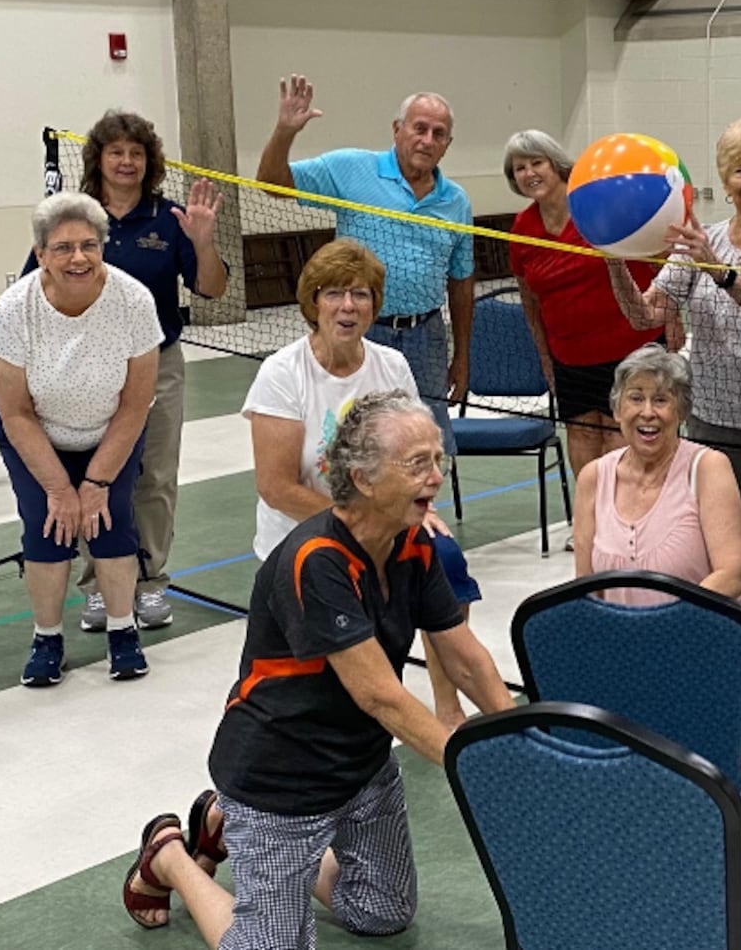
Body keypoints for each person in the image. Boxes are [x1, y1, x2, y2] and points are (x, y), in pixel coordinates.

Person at [121, 391, 515, 944]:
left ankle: (229, 830)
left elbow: (462, 654)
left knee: (382, 914)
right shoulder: (316, 561)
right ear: (365, 478)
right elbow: (378, 695)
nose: (436, 476)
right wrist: (474, 765)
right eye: (417, 463)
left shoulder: (413, 545)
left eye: (437, 460)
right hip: (278, 779)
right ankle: (171, 858)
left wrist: (521, 740)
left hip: (362, 769)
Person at [607, 118, 741, 690]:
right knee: (707, 533)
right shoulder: (705, 238)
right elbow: (645, 315)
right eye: (739, 170)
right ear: (724, 181)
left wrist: (720, 270)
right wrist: (613, 258)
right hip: (713, 415)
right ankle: (714, 626)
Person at [242, 240, 484, 730]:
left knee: (447, 560)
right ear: (314, 302)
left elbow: (416, 454)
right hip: (307, 536)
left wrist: (420, 506)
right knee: (337, 690)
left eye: (360, 295)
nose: (347, 306)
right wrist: (357, 524)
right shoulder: (282, 374)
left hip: (382, 528)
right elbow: (277, 487)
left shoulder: (389, 367)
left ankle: (449, 706)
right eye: (334, 293)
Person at [21, 111, 228, 632]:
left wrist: (202, 240)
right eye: (116, 152)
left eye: (136, 153)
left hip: (157, 366)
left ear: (149, 161)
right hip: (84, 373)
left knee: (154, 476)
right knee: (97, 477)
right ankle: (100, 586)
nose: (127, 161)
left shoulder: (169, 217)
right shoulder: (76, 219)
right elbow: (31, 286)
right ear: (99, 160)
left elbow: (212, 289)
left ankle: (150, 580)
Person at [0, 192, 164, 684]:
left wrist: (97, 482)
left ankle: (122, 631)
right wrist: (61, 490)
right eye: (63, 247)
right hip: (32, 433)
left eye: (89, 244)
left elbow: (135, 404)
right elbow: (17, 412)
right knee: (47, 526)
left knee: (111, 524)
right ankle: (47, 638)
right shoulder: (14, 309)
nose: (78, 258)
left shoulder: (133, 301)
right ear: (41, 254)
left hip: (110, 430)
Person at [257, 74, 474, 455]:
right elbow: (271, 183)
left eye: (438, 134)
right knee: (355, 440)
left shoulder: (456, 202)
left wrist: (462, 357)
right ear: (397, 129)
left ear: (447, 145)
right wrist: (285, 131)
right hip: (357, 331)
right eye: (419, 128)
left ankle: (418, 514)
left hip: (426, 337)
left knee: (424, 442)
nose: (427, 140)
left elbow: (461, 282)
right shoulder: (351, 169)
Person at [573, 344, 741, 674]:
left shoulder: (709, 467)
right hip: (632, 639)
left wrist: (660, 630)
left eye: (661, 400)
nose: (647, 412)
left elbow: (735, 573)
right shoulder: (593, 477)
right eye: (635, 397)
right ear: (616, 409)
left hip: (722, 625)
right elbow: (585, 587)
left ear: (681, 411)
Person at [504, 129, 666, 495]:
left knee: (618, 434)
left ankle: (628, 518)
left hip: (629, 350)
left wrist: (670, 319)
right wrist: (545, 356)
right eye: (519, 168)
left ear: (557, 165)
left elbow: (660, 264)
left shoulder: (597, 207)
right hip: (569, 356)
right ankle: (593, 518)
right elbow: (530, 300)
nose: (529, 173)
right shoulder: (522, 229)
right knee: (581, 433)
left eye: (537, 163)